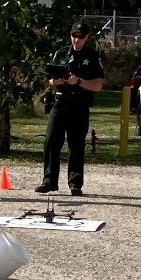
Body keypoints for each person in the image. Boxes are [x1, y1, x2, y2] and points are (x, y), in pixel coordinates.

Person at [35, 22, 104, 196]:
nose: (76, 40)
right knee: (51, 141)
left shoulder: (92, 56)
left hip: (79, 104)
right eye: (74, 35)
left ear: (86, 37)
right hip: (60, 103)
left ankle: (75, 183)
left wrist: (79, 81)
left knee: (76, 144)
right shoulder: (61, 54)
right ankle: (49, 181)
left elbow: (98, 85)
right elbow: (50, 79)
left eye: (80, 37)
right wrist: (55, 81)